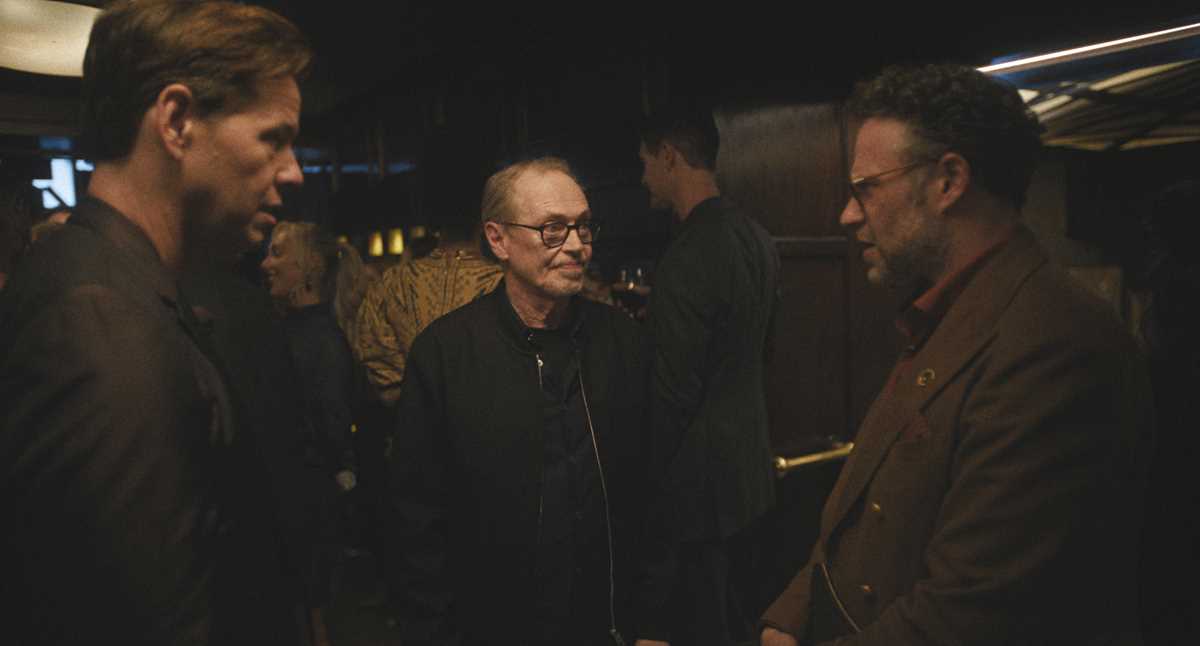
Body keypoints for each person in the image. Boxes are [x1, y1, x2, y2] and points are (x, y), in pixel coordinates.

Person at [760, 63, 1154, 646]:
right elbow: (859, 511)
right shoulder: (949, 310)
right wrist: (789, 617)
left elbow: (972, 613)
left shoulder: (1056, 342)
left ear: (948, 181)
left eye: (866, 188)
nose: (848, 214)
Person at [0, 2, 311, 644]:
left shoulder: (118, 282)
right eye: (273, 138)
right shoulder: (100, 320)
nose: (294, 170)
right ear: (175, 122)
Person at [385, 156, 651, 645]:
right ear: (498, 239)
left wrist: (656, 623)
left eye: (583, 227)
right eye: (553, 229)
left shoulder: (623, 342)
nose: (576, 245)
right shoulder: (446, 354)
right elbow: (416, 520)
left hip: (609, 625)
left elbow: (655, 490)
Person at [634, 107, 779, 645]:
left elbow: (673, 392)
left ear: (669, 157)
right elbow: (760, 349)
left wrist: (643, 482)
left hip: (699, 493)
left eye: (645, 162)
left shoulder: (688, 252)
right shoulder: (757, 237)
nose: (643, 177)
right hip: (752, 474)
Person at [262, 220, 374, 641]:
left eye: (277, 253)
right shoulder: (301, 331)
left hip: (310, 498)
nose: (266, 264)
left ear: (308, 267)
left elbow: (332, 423)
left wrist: (342, 478)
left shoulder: (316, 339)